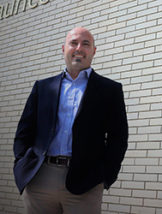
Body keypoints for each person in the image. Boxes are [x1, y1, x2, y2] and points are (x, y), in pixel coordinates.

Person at [13, 27, 128, 214]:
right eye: (73, 43)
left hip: (86, 183)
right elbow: (24, 131)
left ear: (94, 51)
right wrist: (22, 163)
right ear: (63, 48)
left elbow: (118, 137)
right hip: (40, 178)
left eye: (86, 44)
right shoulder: (42, 87)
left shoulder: (110, 90)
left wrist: (104, 176)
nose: (79, 48)